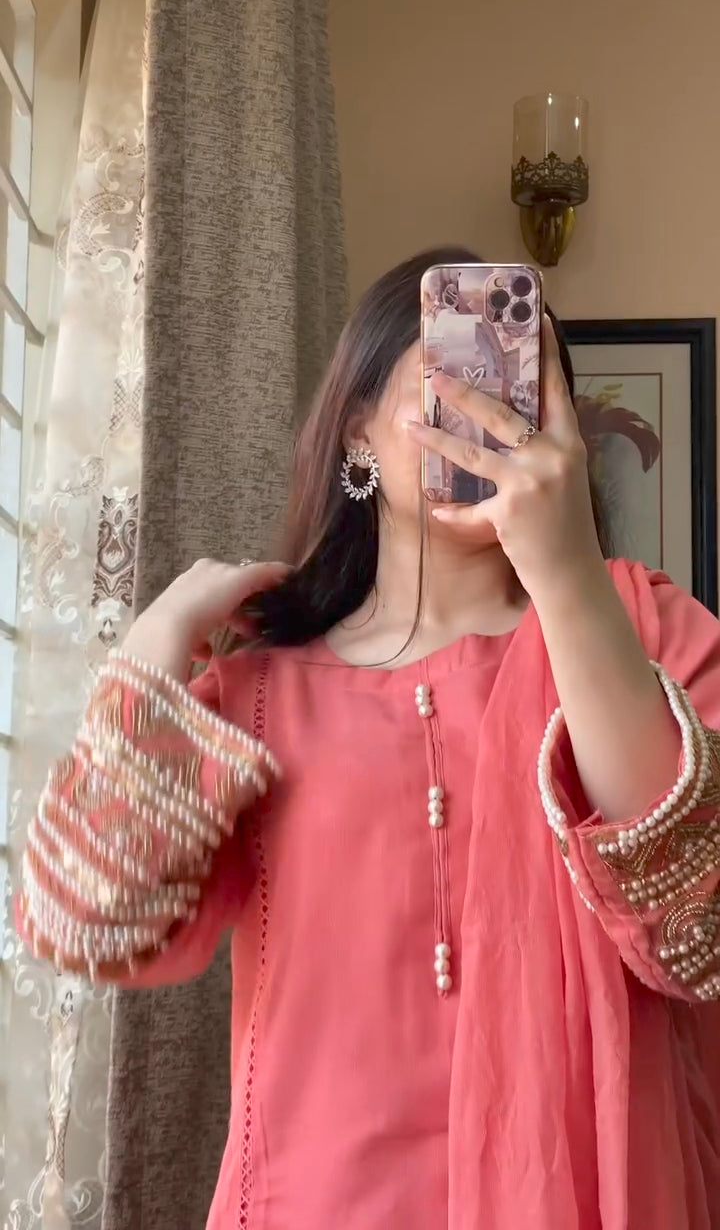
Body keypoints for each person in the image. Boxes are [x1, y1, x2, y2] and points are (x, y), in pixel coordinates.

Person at [19, 247, 720, 1230]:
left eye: (518, 391)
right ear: (357, 432)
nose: (487, 420)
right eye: (451, 382)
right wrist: (154, 646)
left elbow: (697, 918)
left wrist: (564, 575)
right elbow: (90, 923)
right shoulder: (258, 692)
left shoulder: (645, 630)